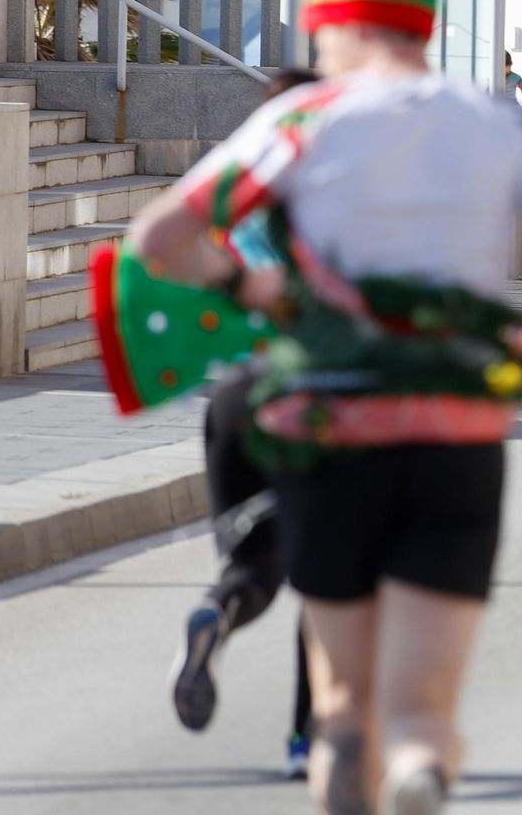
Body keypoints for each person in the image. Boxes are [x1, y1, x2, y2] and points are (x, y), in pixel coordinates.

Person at [128, 0, 522, 815]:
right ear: (422, 19)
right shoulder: (484, 117)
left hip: (331, 429)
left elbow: (160, 237)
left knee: (344, 700)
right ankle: (423, 763)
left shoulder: (302, 118)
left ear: (335, 21)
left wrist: (255, 290)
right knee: (425, 701)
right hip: (455, 431)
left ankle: (360, 766)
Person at [168, 69, 318, 781]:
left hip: (236, 394)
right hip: (314, 388)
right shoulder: (339, 190)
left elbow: (161, 245)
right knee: (328, 578)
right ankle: (305, 739)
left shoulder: (238, 185)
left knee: (255, 561)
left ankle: (214, 615)